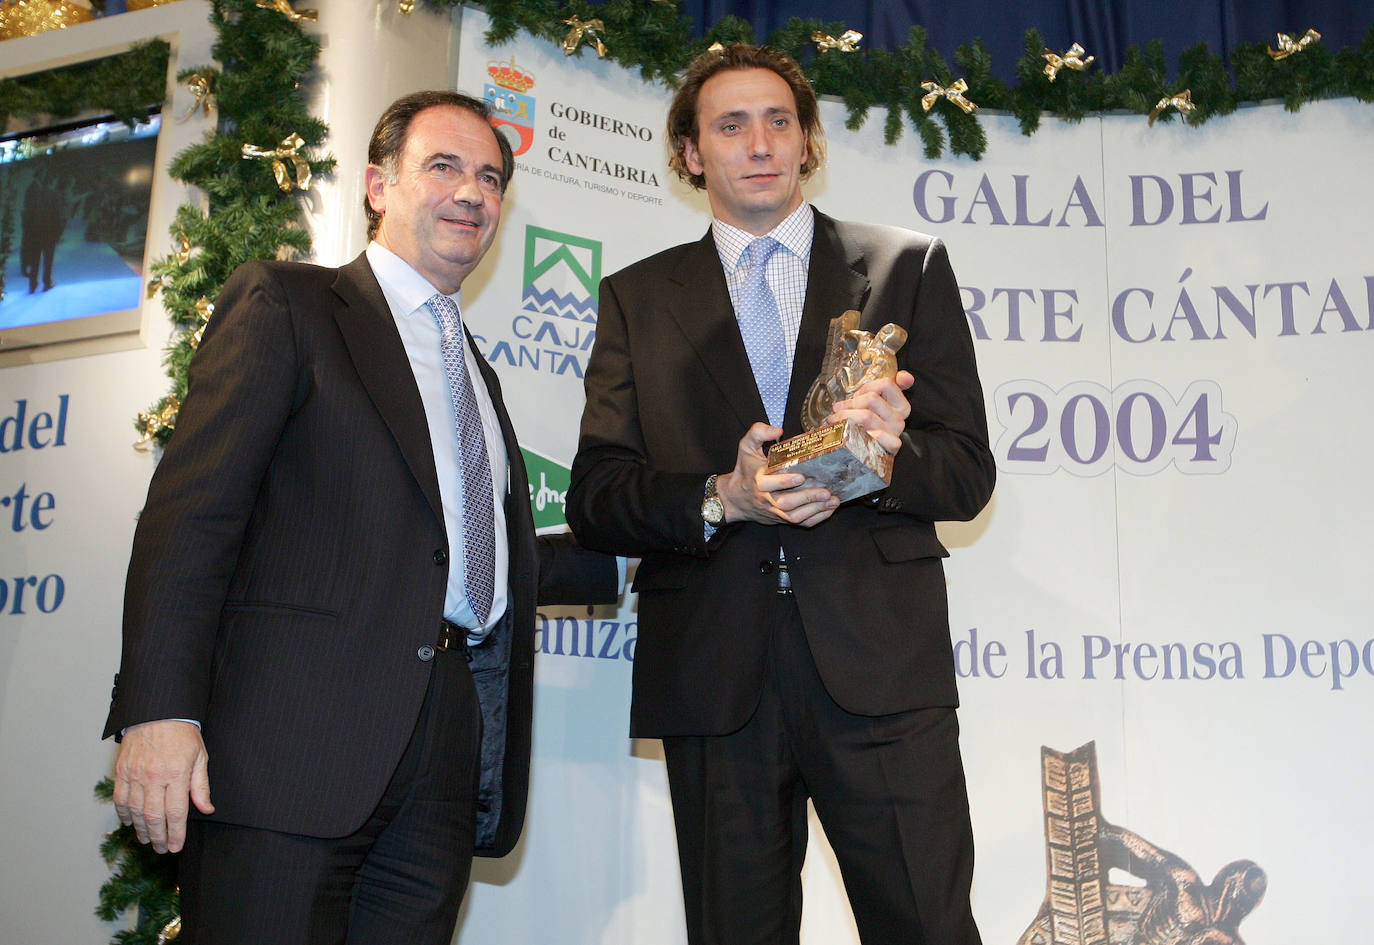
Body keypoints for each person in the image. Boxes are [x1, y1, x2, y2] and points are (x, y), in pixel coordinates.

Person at [104, 90, 619, 945]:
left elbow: (455, 555)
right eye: (444, 167)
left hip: (442, 752)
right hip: (289, 748)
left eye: (491, 178)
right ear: (379, 184)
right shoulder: (289, 305)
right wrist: (159, 711)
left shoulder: (477, 373)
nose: (471, 193)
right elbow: (192, 517)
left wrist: (684, 528)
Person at [566, 45, 995, 944]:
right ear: (690, 154)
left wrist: (882, 462)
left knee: (927, 926)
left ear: (806, 142)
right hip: (717, 677)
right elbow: (599, 496)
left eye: (778, 121)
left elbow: (965, 472)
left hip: (878, 671)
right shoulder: (637, 298)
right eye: (730, 125)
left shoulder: (904, 267)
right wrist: (721, 495)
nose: (758, 142)